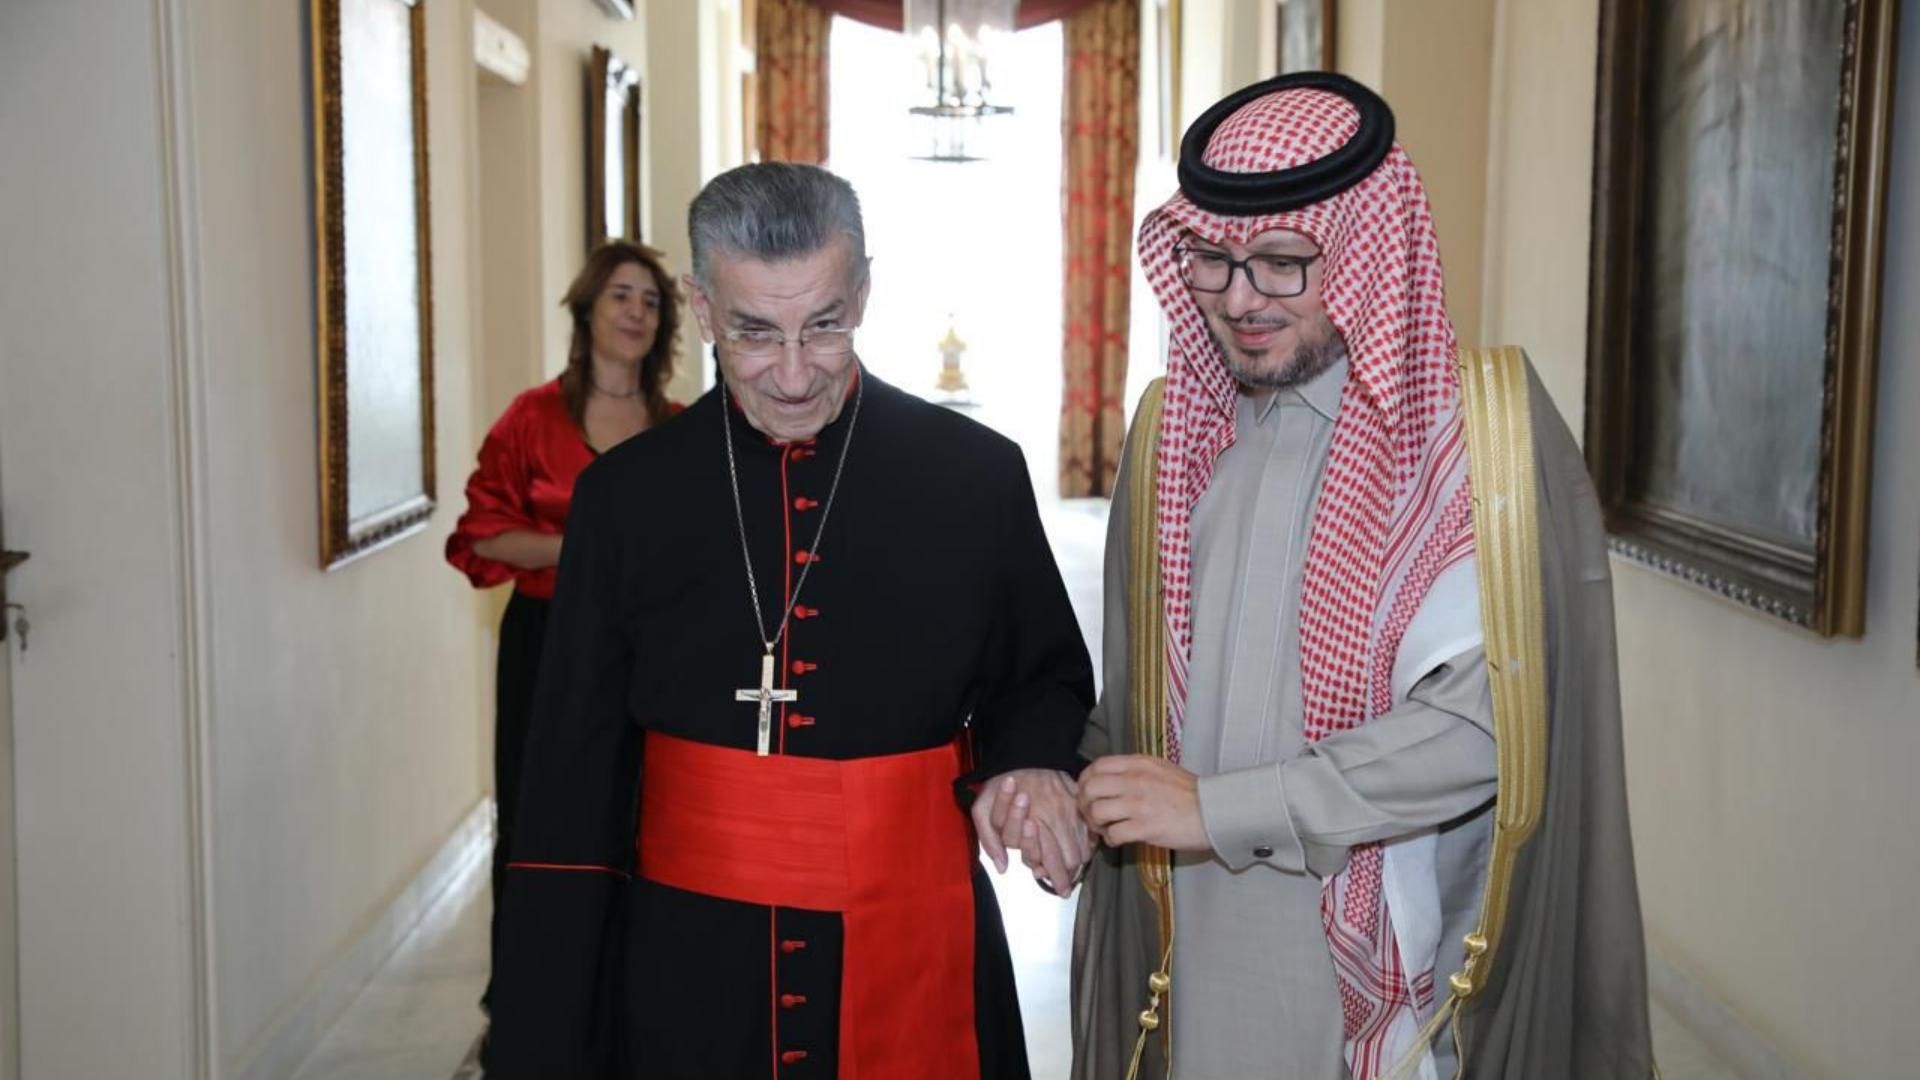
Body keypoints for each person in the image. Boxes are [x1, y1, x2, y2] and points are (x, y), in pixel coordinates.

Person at [1069, 73, 1655, 1079]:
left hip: (1389, 967)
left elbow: (1486, 729)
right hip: (1192, 945)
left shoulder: (1476, 442)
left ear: (1367, 254)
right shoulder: (1175, 433)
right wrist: (1064, 781)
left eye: (1283, 263)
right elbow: (1141, 695)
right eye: (1212, 260)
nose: (1240, 299)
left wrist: (1221, 809)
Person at [486, 162, 1095, 1078]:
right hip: (689, 958)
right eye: (755, 333)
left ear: (865, 292)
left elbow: (1040, 675)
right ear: (701, 308)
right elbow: (573, 784)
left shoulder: (975, 477)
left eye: (825, 324)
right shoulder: (624, 500)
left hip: (915, 931)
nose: (797, 373)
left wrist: (1032, 762)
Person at [444, 239, 682, 1022]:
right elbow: (481, 537)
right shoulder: (531, 418)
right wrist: (589, 550)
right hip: (545, 643)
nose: (636, 312)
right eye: (621, 295)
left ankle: (629, 997)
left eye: (651, 301)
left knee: (642, 815)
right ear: (587, 310)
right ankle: (525, 1004)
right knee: (537, 813)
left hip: (651, 652)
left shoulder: (682, 430)